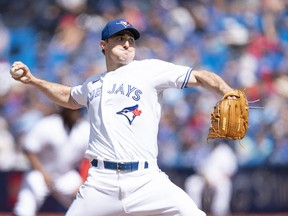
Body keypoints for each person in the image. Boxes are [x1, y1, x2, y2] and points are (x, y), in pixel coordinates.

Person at [10, 18, 236, 216]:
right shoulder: (93, 83)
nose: (127, 43)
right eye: (119, 38)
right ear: (103, 45)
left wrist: (228, 92)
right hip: (101, 183)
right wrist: (34, 81)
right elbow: (69, 96)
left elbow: (201, 76)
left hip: (146, 179)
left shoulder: (149, 70)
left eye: (131, 39)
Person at [13, 107, 90, 216]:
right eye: (71, 109)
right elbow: (28, 149)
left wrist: (83, 181)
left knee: (86, 201)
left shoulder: (85, 128)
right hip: (40, 173)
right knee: (24, 209)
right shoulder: (48, 124)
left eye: (77, 110)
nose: (74, 112)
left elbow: (91, 158)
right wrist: (44, 174)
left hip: (66, 174)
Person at [184, 140, 238, 216]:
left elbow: (230, 171)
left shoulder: (225, 150)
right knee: (192, 182)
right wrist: (206, 179)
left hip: (219, 180)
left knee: (225, 185)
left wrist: (215, 181)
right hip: (204, 179)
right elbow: (199, 168)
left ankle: (219, 212)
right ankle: (194, 211)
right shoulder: (204, 150)